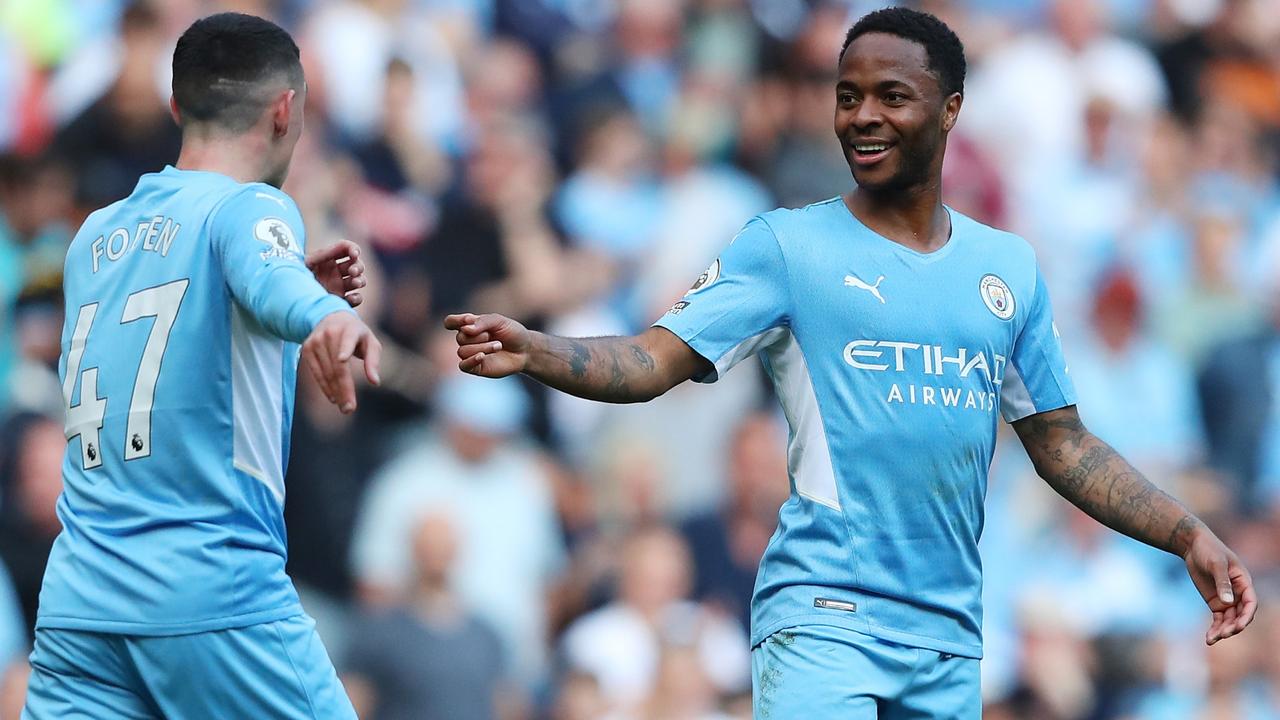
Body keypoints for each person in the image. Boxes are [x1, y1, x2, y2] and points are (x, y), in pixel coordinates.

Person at [448, 8, 1258, 717]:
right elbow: (650, 359)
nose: (861, 116)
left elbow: (1065, 445)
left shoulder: (1007, 270)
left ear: (951, 111)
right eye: (847, 95)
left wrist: (1185, 533)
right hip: (821, 613)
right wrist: (537, 348)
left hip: (948, 634)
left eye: (891, 96)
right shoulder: (786, 247)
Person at [23, 13, 381, 719]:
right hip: (209, 590)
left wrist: (273, 296)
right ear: (286, 111)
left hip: (79, 605)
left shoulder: (94, 235)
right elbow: (268, 269)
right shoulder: (252, 208)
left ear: (176, 107)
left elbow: (201, 301)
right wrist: (325, 314)